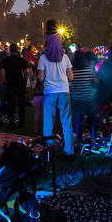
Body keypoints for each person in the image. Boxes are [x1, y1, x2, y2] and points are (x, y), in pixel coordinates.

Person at [37, 20, 74, 155]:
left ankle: (50, 150)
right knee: (66, 121)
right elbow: (71, 77)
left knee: (48, 122)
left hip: (49, 92)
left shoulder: (43, 58)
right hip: (64, 91)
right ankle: (69, 150)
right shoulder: (65, 58)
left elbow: (41, 78)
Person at [70, 49, 98, 145]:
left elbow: (70, 83)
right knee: (92, 120)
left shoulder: (72, 70)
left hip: (77, 99)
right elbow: (95, 81)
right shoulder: (89, 68)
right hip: (89, 98)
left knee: (79, 121)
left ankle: (79, 140)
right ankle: (94, 138)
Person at [1, 43, 27, 128]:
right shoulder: (21, 60)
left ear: (10, 50)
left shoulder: (5, 60)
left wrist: (6, 82)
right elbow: (25, 73)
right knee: (21, 105)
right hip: (20, 83)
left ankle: (11, 123)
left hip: (10, 84)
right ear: (17, 50)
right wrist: (24, 82)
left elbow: (3, 73)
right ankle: (21, 123)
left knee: (10, 105)